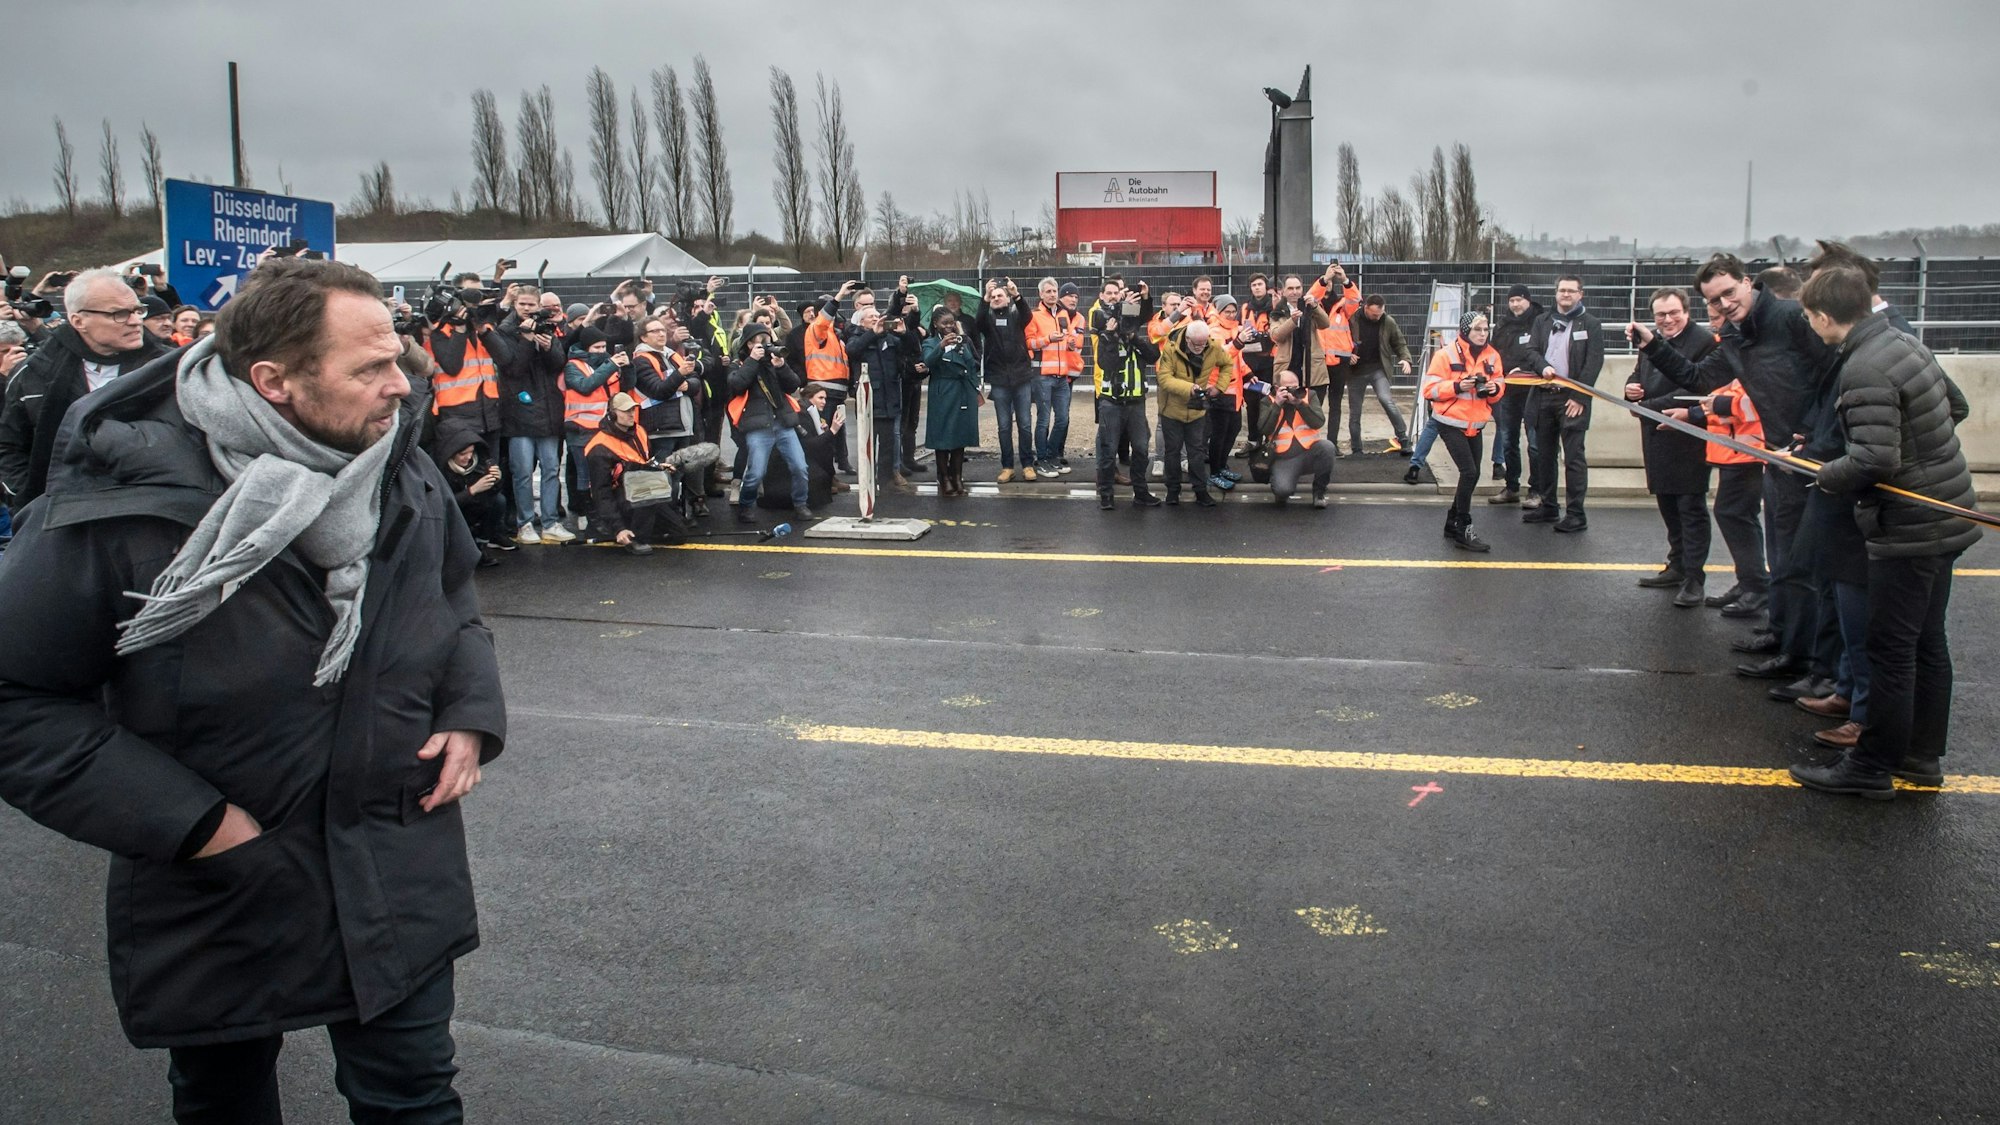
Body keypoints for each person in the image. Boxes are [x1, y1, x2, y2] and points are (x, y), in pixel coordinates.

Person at [0, 257, 504, 1121]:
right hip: (221, 877)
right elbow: (16, 698)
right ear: (274, 381)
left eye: (397, 356)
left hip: (394, 854)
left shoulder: (395, 460)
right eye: (370, 367)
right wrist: (193, 824)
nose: (402, 385)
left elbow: (449, 593)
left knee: (416, 1098)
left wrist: (469, 708)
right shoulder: (124, 503)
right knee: (224, 1100)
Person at [1787, 267, 1981, 799]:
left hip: (1910, 527)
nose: (1809, 325)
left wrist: (1825, 474)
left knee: (1891, 648)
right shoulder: (1902, 341)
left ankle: (1871, 766)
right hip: (1949, 512)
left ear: (1826, 317)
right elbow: (1955, 406)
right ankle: (1921, 755)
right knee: (1926, 641)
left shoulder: (1864, 367)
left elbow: (1874, 458)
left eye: (1809, 317)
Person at [1632, 253, 1838, 683]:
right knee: (1783, 557)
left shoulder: (1789, 318)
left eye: (1729, 292)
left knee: (1803, 562)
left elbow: (1833, 375)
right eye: (1714, 298)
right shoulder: (1738, 336)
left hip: (1807, 455)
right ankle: (1784, 637)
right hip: (1776, 456)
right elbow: (1697, 378)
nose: (1724, 304)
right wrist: (1653, 345)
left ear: (1748, 282)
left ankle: (1808, 659)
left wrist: (1809, 432)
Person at [1, 268, 169, 511]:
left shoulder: (168, 369)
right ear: (78, 321)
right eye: (119, 314)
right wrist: (26, 500)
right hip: (55, 517)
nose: (135, 321)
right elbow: (10, 444)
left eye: (137, 310)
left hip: (149, 514)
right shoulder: (33, 372)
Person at [1626, 288, 1718, 605]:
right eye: (1660, 315)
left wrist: (1646, 407)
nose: (1667, 320)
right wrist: (1630, 390)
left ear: (1687, 311)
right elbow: (1637, 376)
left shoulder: (1703, 343)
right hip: (1655, 435)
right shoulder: (1650, 343)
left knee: (1690, 508)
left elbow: (1692, 389)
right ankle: (1676, 564)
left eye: (1673, 313)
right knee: (1667, 504)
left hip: (1687, 438)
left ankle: (1695, 577)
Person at [1520, 275, 1604, 532]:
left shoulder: (1590, 324)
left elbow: (1594, 362)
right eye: (1561, 290)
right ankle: (1548, 507)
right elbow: (1531, 350)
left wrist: (1579, 397)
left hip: (1571, 398)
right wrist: (1543, 366)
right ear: (1555, 293)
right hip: (1544, 395)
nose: (1565, 295)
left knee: (1574, 457)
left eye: (1571, 291)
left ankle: (1576, 514)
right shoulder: (1542, 321)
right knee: (1544, 455)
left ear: (1581, 294)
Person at [1421, 313, 1506, 550]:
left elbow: (1500, 383)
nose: (1482, 334)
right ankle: (1463, 529)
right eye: (1477, 329)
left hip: (1476, 423)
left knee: (1474, 473)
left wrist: (1493, 388)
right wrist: (1458, 385)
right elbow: (1429, 390)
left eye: (1485, 329)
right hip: (1449, 421)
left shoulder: (1492, 355)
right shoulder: (1445, 354)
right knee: (1468, 472)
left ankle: (1452, 521)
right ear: (1466, 330)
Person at [495, 285, 573, 544]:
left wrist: (549, 346)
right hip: (519, 409)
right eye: (522, 304)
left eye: (531, 304)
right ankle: (525, 522)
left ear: (539, 305)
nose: (527, 309)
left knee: (551, 468)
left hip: (548, 407)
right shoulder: (506, 330)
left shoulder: (546, 325)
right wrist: (526, 341)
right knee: (522, 472)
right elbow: (512, 368)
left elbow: (558, 363)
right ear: (515, 304)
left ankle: (551, 522)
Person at [584, 391, 691, 555]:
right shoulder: (599, 447)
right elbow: (601, 493)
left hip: (640, 487)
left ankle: (644, 529)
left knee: (679, 534)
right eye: (626, 411)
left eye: (633, 410)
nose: (631, 414)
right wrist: (618, 528)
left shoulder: (639, 431)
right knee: (645, 492)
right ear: (612, 414)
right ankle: (634, 536)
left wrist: (658, 467)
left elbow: (643, 462)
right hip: (620, 496)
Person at [725, 325, 812, 522]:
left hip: (782, 422)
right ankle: (746, 506)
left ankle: (800, 504)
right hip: (758, 426)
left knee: (800, 467)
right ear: (748, 343)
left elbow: (793, 385)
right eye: (759, 340)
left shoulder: (772, 362)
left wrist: (781, 366)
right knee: (756, 472)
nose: (764, 344)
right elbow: (737, 385)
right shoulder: (738, 364)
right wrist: (752, 361)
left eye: (766, 339)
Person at [1090, 284, 1163, 510]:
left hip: (1136, 403)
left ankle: (1141, 493)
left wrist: (1134, 337)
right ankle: (1106, 495)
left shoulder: (1135, 338)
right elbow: (1107, 364)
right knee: (1108, 450)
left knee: (1141, 449)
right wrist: (1111, 335)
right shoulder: (1105, 335)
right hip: (1111, 403)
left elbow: (1153, 355)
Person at [1154, 320, 1231, 508]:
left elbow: (1227, 364)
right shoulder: (1170, 350)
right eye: (1196, 344)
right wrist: (1189, 388)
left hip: (1197, 411)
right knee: (1172, 452)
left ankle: (1201, 491)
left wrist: (1219, 388)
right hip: (1171, 410)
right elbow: (1163, 378)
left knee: (1196, 452)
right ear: (1187, 339)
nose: (1200, 347)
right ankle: (1172, 491)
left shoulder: (1212, 347)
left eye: (1203, 343)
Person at [560, 325, 629, 525]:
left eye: (603, 347)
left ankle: (602, 514)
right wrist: (611, 365)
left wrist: (627, 367)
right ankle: (586, 514)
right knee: (585, 474)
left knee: (604, 474)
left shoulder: (608, 363)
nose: (601, 351)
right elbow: (585, 386)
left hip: (604, 429)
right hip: (580, 429)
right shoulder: (573, 365)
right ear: (586, 347)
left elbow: (626, 386)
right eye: (597, 348)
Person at [976, 277, 1037, 482]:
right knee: (1003, 426)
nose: (996, 298)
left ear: (1007, 299)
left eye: (999, 295)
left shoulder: (1016, 316)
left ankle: (1028, 464)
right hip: (1000, 379)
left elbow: (1028, 315)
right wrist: (984, 298)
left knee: (1025, 424)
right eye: (993, 296)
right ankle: (1007, 466)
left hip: (1021, 377)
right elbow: (977, 322)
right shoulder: (987, 321)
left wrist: (1016, 294)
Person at [1488, 284, 1543, 504]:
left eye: (1519, 300)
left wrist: (1526, 370)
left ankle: (1536, 490)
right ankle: (1511, 487)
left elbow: (1542, 353)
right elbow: (1494, 353)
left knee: (1535, 443)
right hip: (1509, 391)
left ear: (1528, 300)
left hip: (1533, 391)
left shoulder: (1540, 322)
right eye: (1511, 301)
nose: (1515, 304)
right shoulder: (1503, 324)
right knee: (1509, 440)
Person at [847, 305, 910, 493]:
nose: (876, 318)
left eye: (877, 315)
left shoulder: (890, 339)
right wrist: (873, 334)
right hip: (868, 400)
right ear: (861, 322)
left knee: (888, 445)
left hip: (889, 399)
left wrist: (905, 335)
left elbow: (909, 353)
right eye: (871, 316)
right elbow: (852, 351)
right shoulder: (857, 337)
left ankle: (886, 481)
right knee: (867, 444)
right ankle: (866, 481)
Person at [1027, 278, 1084, 477]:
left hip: (1062, 376)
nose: (1052, 294)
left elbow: (1069, 336)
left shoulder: (1062, 315)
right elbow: (1028, 343)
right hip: (1042, 376)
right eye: (1048, 291)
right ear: (1041, 294)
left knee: (1062, 419)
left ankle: (1051, 456)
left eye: (1054, 291)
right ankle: (1041, 460)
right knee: (1043, 420)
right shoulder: (1034, 316)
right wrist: (1047, 339)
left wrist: (1070, 342)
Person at [432, 416, 511, 561]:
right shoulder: (438, 468)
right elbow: (441, 505)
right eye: (463, 454)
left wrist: (497, 480)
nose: (468, 457)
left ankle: (481, 545)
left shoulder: (480, 462)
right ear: (451, 452)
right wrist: (472, 491)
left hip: (474, 510)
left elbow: (492, 494)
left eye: (471, 451)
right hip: (453, 515)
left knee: (499, 501)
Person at [922, 309, 981, 498]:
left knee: (959, 436)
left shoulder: (962, 341)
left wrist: (962, 344)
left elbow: (972, 365)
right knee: (943, 437)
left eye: (951, 323)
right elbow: (928, 362)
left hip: (962, 391)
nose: (948, 327)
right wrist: (941, 346)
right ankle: (944, 478)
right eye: (944, 323)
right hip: (943, 392)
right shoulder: (930, 342)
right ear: (935, 324)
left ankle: (958, 477)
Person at [1259, 368, 1337, 510]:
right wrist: (1277, 405)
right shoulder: (1267, 401)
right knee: (1283, 490)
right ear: (1277, 388)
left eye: (1296, 386)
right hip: (1284, 458)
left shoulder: (1309, 395)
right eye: (1289, 388)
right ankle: (1279, 480)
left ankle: (1319, 492)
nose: (1294, 391)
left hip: (1309, 453)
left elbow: (1318, 422)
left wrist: (1300, 404)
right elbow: (1264, 429)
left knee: (1328, 447)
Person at [1346, 295, 1414, 454]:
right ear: (1365, 308)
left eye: (1381, 313)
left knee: (1386, 400)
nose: (1378, 317)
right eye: (1374, 314)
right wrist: (1346, 355)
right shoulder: (1352, 319)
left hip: (1378, 369)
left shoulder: (1387, 321)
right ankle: (1356, 449)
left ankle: (1403, 439)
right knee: (1355, 411)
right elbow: (1340, 340)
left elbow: (1399, 342)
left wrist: (1405, 359)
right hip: (1355, 372)